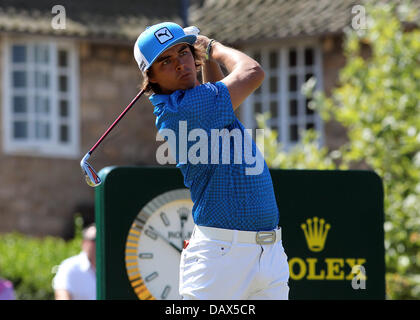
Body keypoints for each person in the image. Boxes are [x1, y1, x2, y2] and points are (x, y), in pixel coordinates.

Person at [134, 22, 289, 300]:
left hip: (268, 253)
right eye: (166, 61)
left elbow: (216, 91)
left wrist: (202, 58)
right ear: (152, 78)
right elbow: (253, 72)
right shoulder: (184, 108)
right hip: (221, 257)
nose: (181, 64)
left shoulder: (197, 99)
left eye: (183, 52)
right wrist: (212, 47)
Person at [52, 224, 96, 300]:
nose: (98, 244)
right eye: (94, 240)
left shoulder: (110, 268)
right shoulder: (69, 267)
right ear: (84, 243)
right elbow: (62, 295)